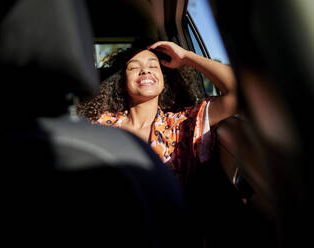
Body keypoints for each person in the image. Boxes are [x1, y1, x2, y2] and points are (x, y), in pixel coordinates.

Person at [78, 40, 237, 185]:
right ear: (121, 84)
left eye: (153, 66)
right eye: (134, 67)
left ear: (164, 83)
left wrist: (186, 57)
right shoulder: (100, 123)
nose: (145, 71)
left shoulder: (182, 125)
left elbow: (239, 93)